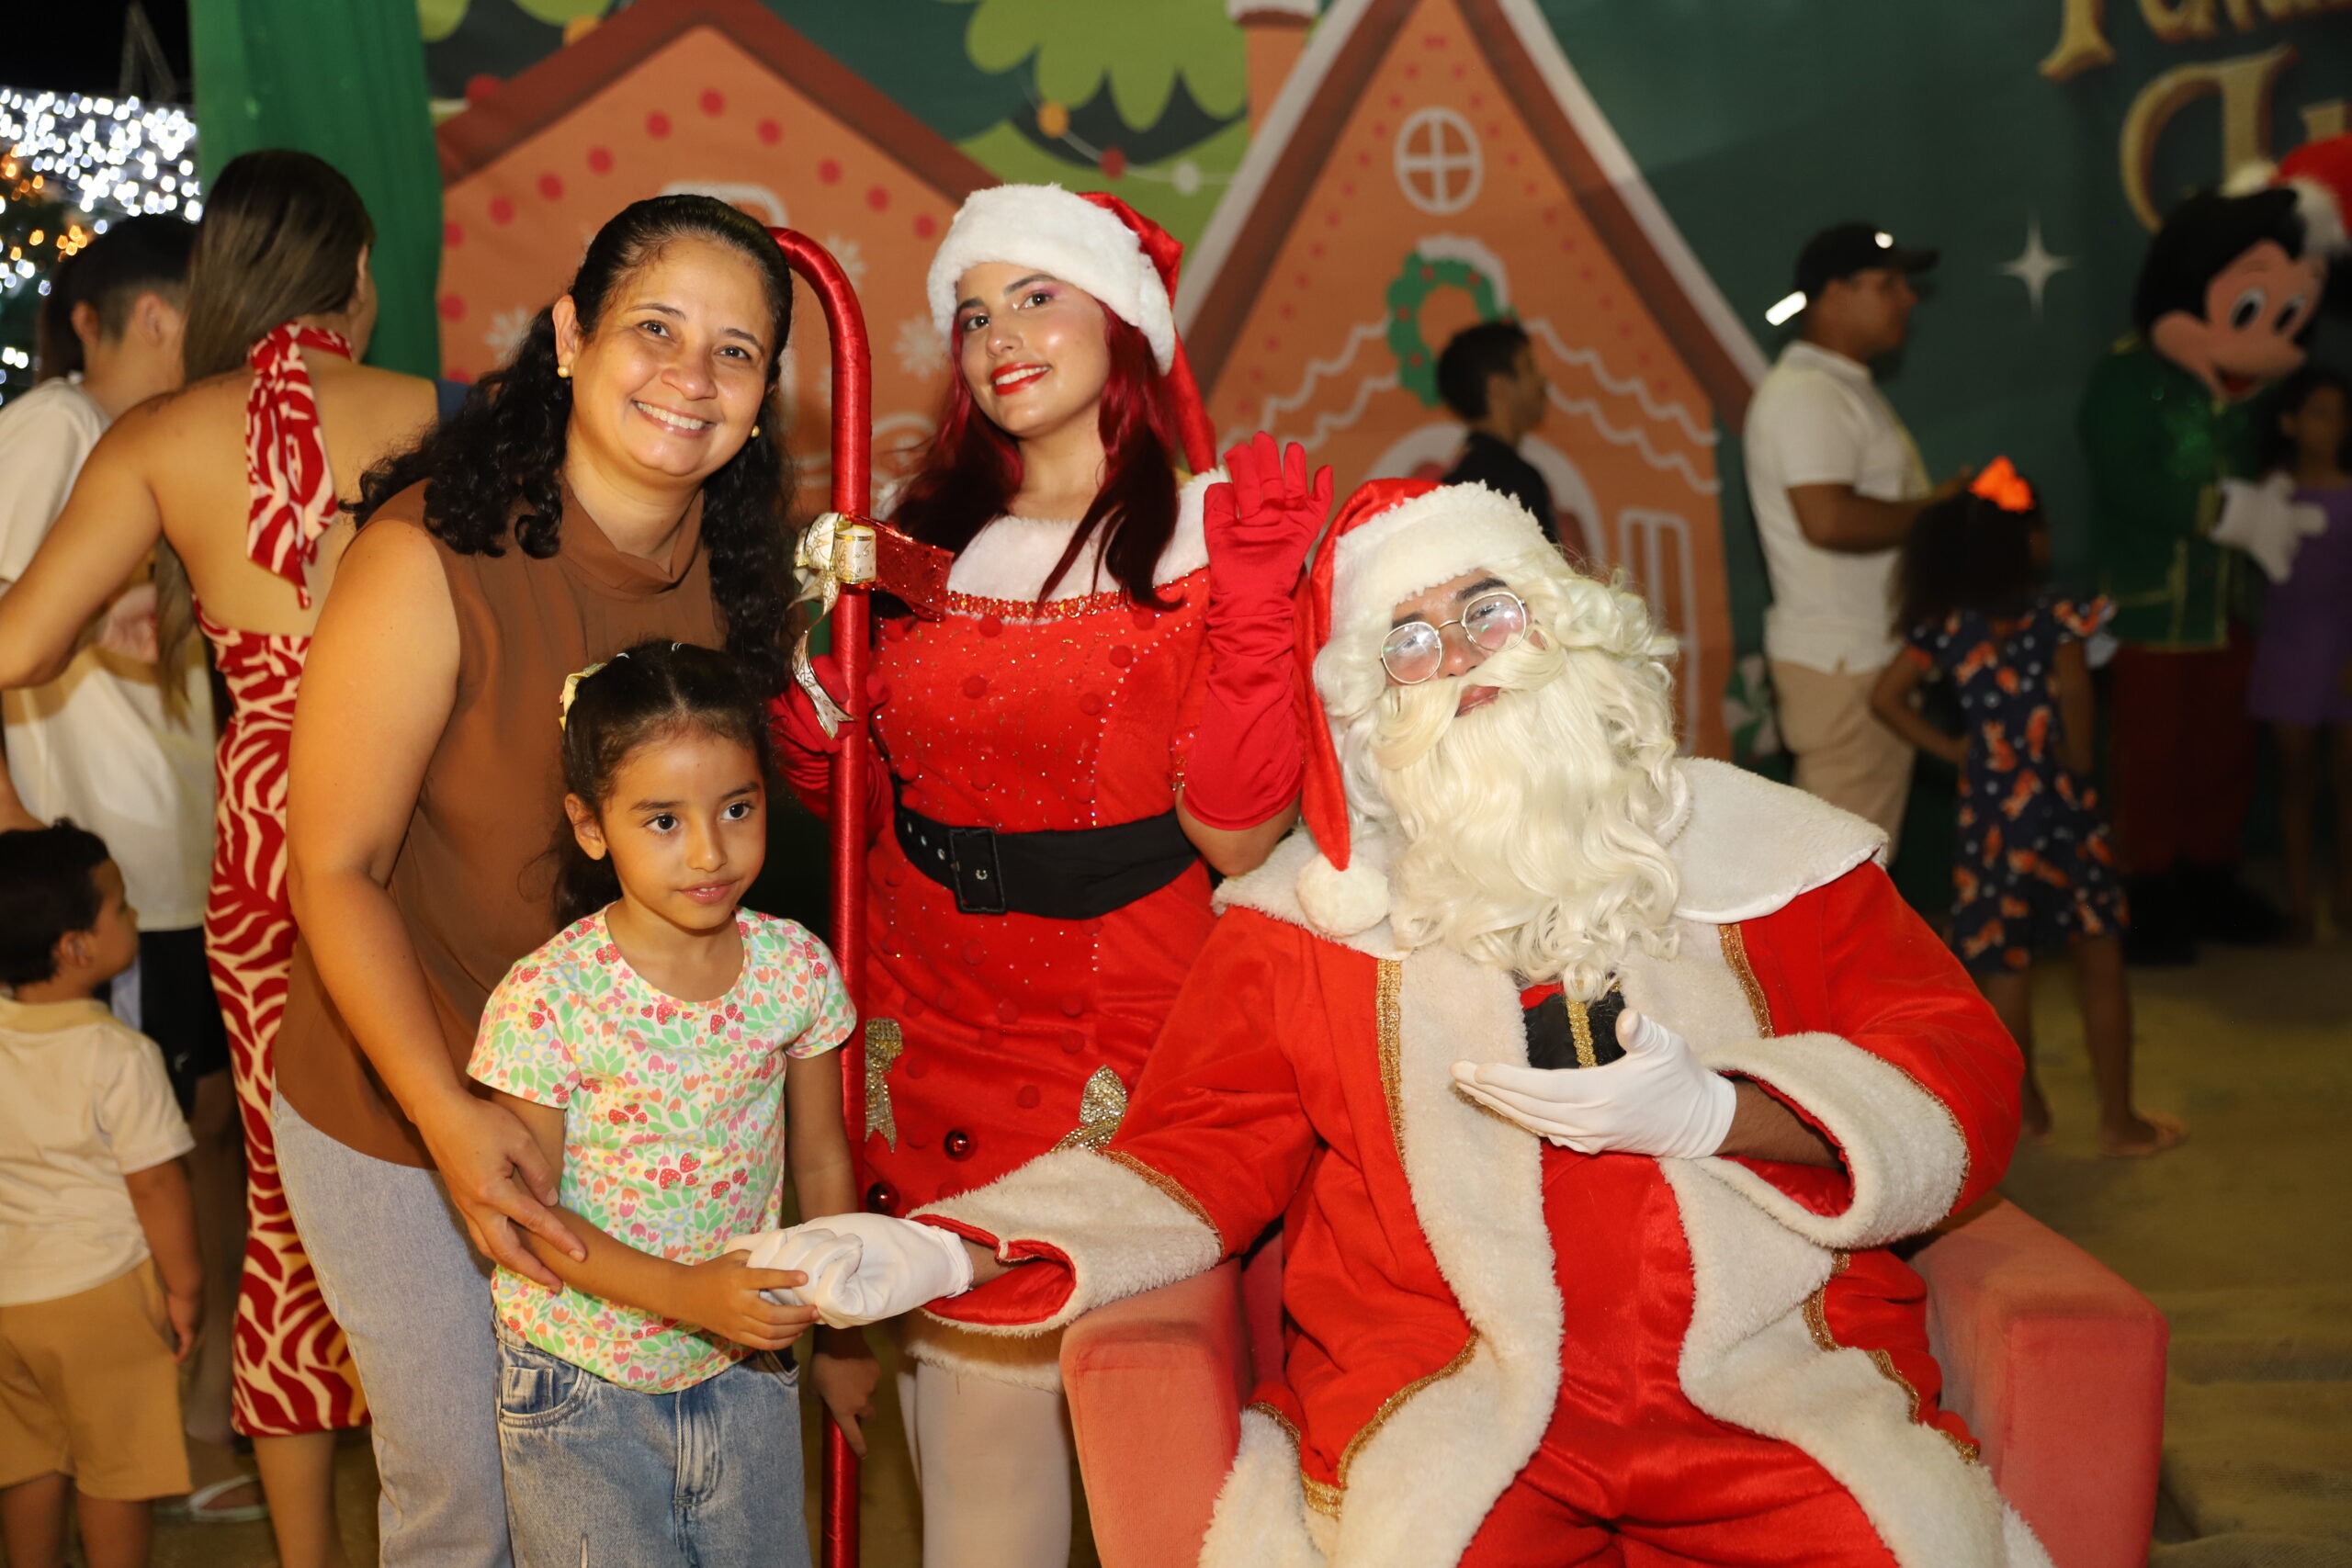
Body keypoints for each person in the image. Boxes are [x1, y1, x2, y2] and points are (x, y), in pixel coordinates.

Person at [749, 477, 2051, 1568]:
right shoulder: (1304, 923)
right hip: (1456, 1399)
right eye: (1410, 641)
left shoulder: (1770, 851)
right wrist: (950, 1253)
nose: (1462, 658)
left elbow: (1960, 1065)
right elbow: (1184, 1161)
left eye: (1486, 609)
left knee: (1911, 1541)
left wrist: (1720, 1110)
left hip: (1772, 1387)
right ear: (1366, 709)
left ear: (1566, 622)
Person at [769, 182, 1314, 1568]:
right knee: (955, 1450)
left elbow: (1239, 837)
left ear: (1121, 320)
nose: (997, 335)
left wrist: (1258, 618)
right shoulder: (924, 538)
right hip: (924, 1018)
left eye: (1034, 297)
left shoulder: (1205, 542)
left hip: (1121, 1032)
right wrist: (816, 728)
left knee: (1086, 1455)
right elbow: (861, 806)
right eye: (971, 313)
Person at [277, 193, 810, 1568]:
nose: (691, 377)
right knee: (469, 1500)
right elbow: (331, 867)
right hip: (403, 1099)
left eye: (736, 351)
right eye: (655, 329)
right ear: (570, 337)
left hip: (636, 1120)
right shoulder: (426, 561)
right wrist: (449, 1116)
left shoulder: (749, 587)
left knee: (640, 1494)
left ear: (763, 396)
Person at [0, 150, 437, 1565]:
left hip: (266, 839)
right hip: (420, 824)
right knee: (454, 1173)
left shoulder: (159, 434)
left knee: (289, 1203)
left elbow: (15, 645)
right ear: (356, 275)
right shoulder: (433, 415)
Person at [464, 642, 857, 1568]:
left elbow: (821, 1157)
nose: (711, 851)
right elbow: (527, 1220)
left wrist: (845, 1326)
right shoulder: (549, 997)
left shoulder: (794, 968)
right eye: (664, 820)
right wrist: (688, 1294)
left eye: (737, 808)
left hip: (747, 1365)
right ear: (591, 825)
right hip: (582, 1387)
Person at [0, 219, 251, 1525]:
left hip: (174, 859)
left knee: (193, 1131)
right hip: (104, 870)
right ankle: (145, 1431)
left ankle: (195, 1410)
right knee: (141, 1147)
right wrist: (12, 822)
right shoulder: (57, 424)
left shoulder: (164, 434)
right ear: (158, 313)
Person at [2079, 139, 2352, 963]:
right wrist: (2226, 510)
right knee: (2150, 758)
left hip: (2229, 609)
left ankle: (2211, 873)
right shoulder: (2129, 380)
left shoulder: (2250, 397)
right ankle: (2148, 886)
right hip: (2154, 612)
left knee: (2224, 754)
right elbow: (2128, 477)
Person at [1871, 461, 2182, 1157]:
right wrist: (2076, 762)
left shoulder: (1946, 626)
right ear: (2026, 543)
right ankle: (2118, 1121)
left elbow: (1884, 697)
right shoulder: (2057, 619)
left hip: (1991, 815)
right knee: (2099, 956)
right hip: (2063, 807)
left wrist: (1958, 751)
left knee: (2005, 964)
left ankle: (2029, 1109)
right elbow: (2076, 706)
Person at [0, 823, 200, 1568]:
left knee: (29, 1460)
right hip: (103, 1294)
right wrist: (186, 1288)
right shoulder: (121, 1054)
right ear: (75, 946)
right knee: (118, 1467)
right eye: (120, 904)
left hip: (10, 1296)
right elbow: (155, 1183)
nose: (134, 913)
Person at [1745, 221, 1951, 847]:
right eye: (1888, 285)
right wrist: (1940, 511)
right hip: (1846, 671)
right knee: (1838, 873)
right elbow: (1828, 519)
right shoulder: (1808, 393)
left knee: (1852, 868)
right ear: (1834, 295)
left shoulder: (1836, 386)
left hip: (1859, 663)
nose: (1907, 299)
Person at [2246, 366, 2352, 942]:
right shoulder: (2271, 493)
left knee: (2346, 780)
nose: (2329, 427)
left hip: (2343, 648)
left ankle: (2345, 894)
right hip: (2288, 650)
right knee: (2295, 780)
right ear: (2289, 422)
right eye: (2318, 413)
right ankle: (2300, 900)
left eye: (2338, 415)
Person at [1436, 320, 1582, 558]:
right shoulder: (1514, 478)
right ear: (1498, 387)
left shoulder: (1459, 474)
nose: (1542, 380)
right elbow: (1539, 577)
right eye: (1529, 367)